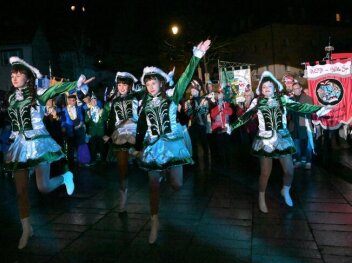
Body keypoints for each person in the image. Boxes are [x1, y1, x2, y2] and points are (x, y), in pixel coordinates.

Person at [131, 39, 211, 243]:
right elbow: (141, 127)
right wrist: (138, 148)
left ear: (161, 83)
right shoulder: (145, 104)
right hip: (154, 146)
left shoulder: (172, 97)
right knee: (153, 185)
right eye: (147, 84)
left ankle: (168, 175)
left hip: (173, 144)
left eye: (153, 83)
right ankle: (154, 221)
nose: (150, 87)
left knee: (176, 185)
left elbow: (185, 78)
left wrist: (196, 57)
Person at [5, 56, 89, 249]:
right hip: (20, 145)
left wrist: (76, 84)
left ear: (28, 77)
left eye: (19, 74)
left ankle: (65, 177)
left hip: (39, 143)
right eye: (12, 74)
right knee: (21, 191)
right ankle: (27, 229)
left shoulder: (39, 94)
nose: (14, 77)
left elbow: (56, 89)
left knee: (42, 187)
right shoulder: (11, 97)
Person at [228, 71, 331, 213]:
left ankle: (285, 189)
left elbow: (300, 107)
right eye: (264, 87)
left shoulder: (283, 99)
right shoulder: (257, 102)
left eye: (269, 86)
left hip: (282, 138)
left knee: (289, 170)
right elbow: (246, 116)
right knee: (265, 173)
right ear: (261, 89)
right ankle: (261, 197)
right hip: (265, 140)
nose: (267, 89)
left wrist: (319, 109)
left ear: (275, 87)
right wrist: (231, 126)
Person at [104, 72, 140, 214]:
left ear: (130, 85)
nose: (122, 87)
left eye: (124, 85)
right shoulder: (114, 101)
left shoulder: (137, 96)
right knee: (122, 168)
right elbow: (111, 118)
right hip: (120, 135)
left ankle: (160, 174)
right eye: (119, 85)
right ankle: (123, 202)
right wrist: (107, 133)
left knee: (148, 160)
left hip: (136, 133)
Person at [288, 82, 315, 169]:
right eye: (294, 89)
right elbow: (288, 112)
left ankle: (308, 161)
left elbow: (310, 110)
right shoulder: (290, 99)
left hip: (305, 124)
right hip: (294, 125)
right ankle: (298, 160)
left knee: (308, 144)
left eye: (297, 88)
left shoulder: (308, 98)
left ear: (301, 88)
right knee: (296, 144)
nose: (296, 90)